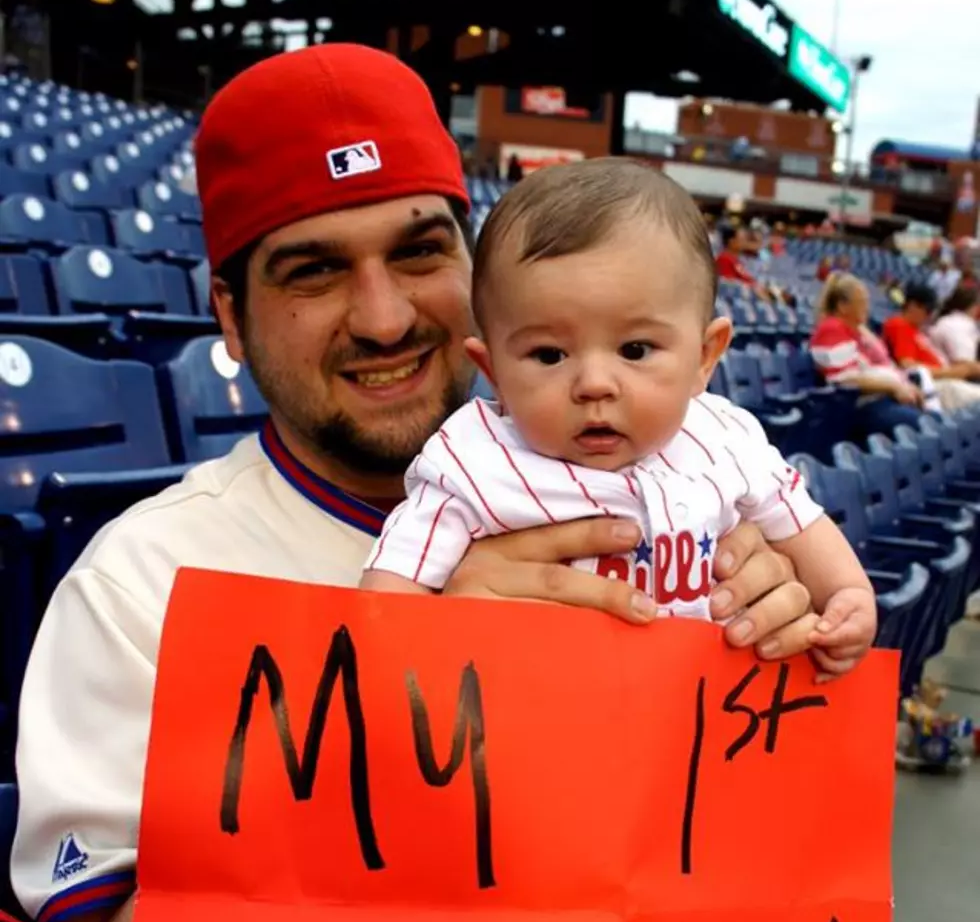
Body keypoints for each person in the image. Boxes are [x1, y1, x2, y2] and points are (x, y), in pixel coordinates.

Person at [10, 45, 980, 922]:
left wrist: (786, 637)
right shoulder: (144, 583)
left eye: (417, 249)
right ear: (229, 320)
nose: (383, 313)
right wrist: (410, 716)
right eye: (310, 268)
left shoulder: (650, 464)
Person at [362, 160, 875, 680]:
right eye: (548, 355)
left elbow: (799, 522)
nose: (594, 384)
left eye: (634, 348)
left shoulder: (724, 438)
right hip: (536, 709)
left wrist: (848, 597)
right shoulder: (474, 460)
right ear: (492, 371)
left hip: (691, 712)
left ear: (704, 357)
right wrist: (411, 655)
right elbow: (389, 600)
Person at [809, 272, 926, 437]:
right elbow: (844, 379)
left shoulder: (856, 332)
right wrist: (894, 386)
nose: (867, 308)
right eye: (862, 302)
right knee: (923, 426)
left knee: (934, 421)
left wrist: (905, 384)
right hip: (859, 410)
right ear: (843, 306)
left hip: (880, 402)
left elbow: (881, 364)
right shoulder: (831, 329)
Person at [883, 280, 980, 412]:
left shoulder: (916, 331)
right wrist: (954, 372)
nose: (930, 316)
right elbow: (909, 367)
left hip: (946, 382)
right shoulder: (899, 325)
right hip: (934, 386)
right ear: (912, 306)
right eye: (928, 310)